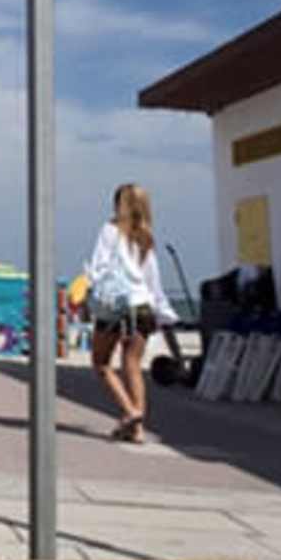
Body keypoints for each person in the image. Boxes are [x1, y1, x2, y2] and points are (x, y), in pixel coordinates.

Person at [81, 183, 177, 444]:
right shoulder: (145, 238)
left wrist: (88, 292)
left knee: (101, 363)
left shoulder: (110, 230)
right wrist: (163, 313)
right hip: (143, 306)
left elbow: (99, 267)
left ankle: (131, 412)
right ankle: (137, 430)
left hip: (115, 306)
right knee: (133, 365)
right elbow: (153, 282)